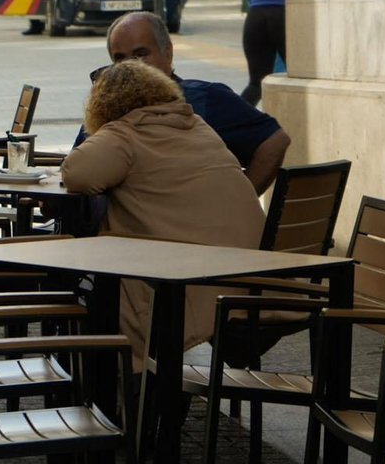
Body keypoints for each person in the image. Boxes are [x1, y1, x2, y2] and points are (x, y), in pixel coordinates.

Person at [61, 59, 266, 364]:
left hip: (191, 287)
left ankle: (114, 400)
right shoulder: (197, 125)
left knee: (89, 296)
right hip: (253, 282)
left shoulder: (125, 134)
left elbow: (75, 173)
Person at [100, 11, 290, 194]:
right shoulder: (110, 108)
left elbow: (275, 140)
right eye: (120, 59)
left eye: (141, 54)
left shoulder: (206, 98)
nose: (131, 67)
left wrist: (240, 200)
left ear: (167, 53)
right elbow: (81, 167)